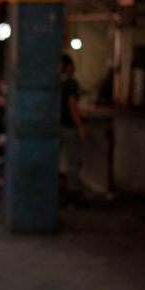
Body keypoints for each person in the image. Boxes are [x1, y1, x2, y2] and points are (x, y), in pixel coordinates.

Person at [59, 54, 87, 209]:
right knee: (73, 162)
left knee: (54, 161)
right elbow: (72, 106)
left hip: (55, 127)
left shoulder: (55, 82)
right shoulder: (71, 83)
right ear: (68, 66)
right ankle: (71, 196)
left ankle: (54, 194)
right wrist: (80, 127)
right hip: (69, 127)